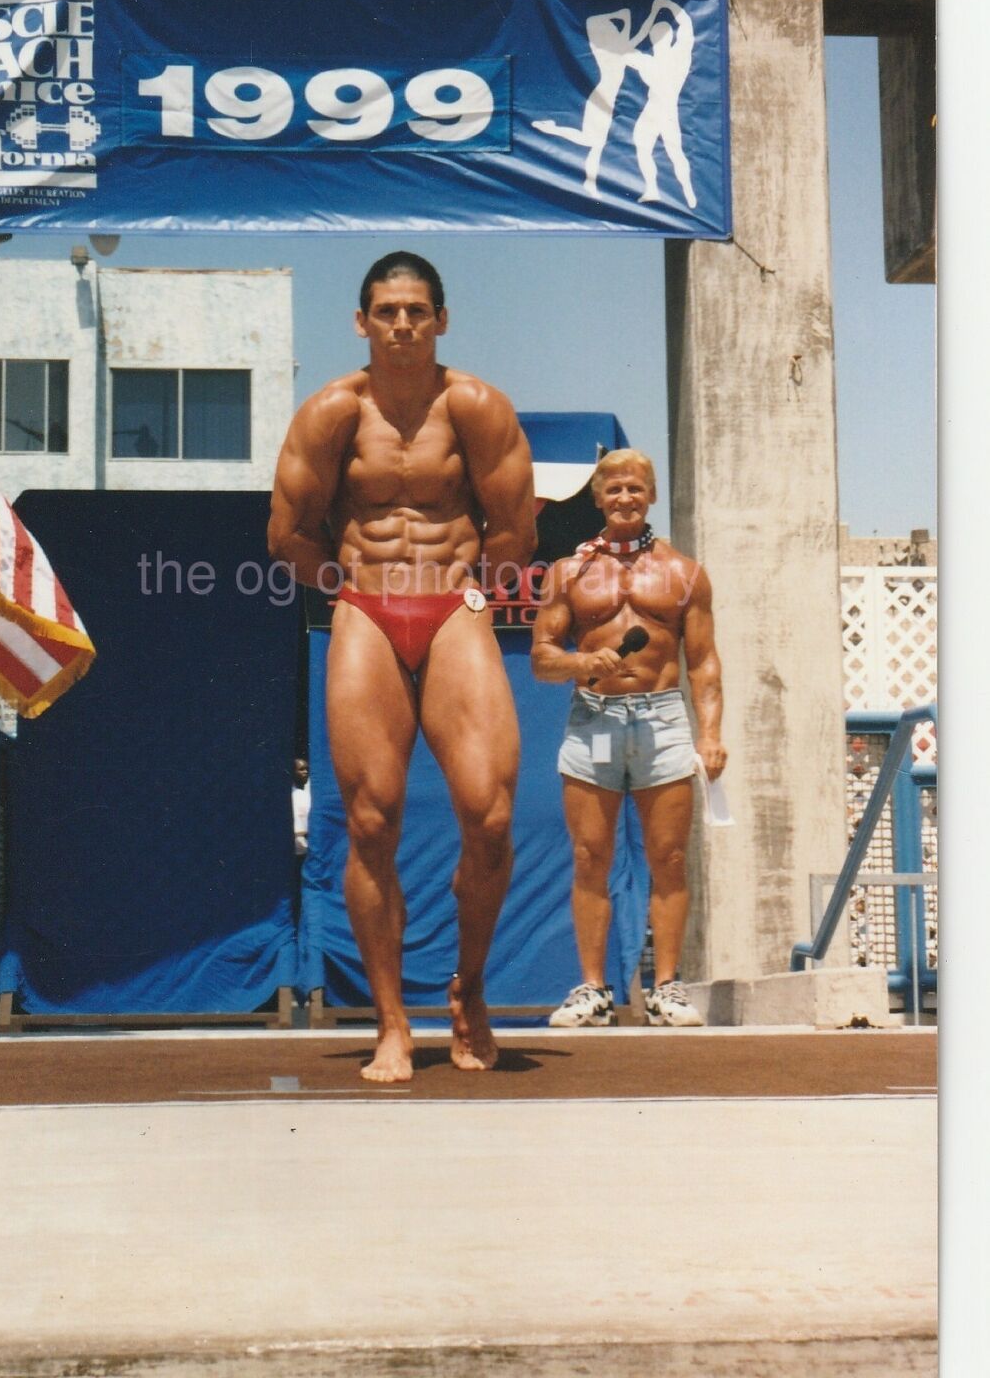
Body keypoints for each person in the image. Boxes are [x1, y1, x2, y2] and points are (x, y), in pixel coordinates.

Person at [268, 250, 536, 1082]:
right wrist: (354, 592)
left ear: (441, 320)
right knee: (372, 820)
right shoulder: (332, 412)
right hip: (367, 608)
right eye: (386, 310)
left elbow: (514, 527)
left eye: (418, 310)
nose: (402, 324)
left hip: (454, 606)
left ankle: (472, 990)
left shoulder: (476, 407)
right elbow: (286, 535)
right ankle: (392, 1023)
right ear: (362, 321)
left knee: (489, 814)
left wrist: (464, 597)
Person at [530, 448, 725, 1027]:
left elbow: (705, 663)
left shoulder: (684, 573)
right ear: (597, 497)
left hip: (663, 718)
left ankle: (666, 986)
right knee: (591, 855)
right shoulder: (569, 572)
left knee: (668, 856)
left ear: (652, 496)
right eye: (613, 488)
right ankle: (592, 988)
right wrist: (583, 662)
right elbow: (542, 658)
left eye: (635, 488)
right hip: (595, 717)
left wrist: (710, 734)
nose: (624, 498)